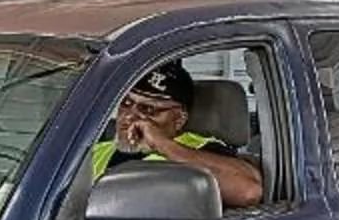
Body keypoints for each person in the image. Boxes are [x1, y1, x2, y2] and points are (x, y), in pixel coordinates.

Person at [91, 61, 263, 209]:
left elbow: (248, 191)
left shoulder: (201, 148)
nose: (129, 116)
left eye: (148, 109)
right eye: (126, 103)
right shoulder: (96, 151)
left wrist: (163, 145)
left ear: (179, 119)